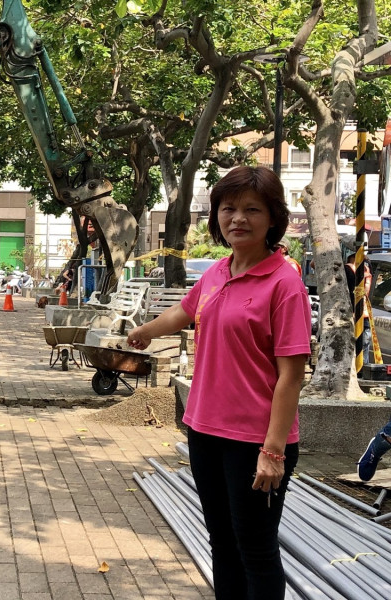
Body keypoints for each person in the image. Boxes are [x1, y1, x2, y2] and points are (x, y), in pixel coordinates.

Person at [126, 166, 311, 599]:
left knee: (257, 551)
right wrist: (147, 330)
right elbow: (186, 311)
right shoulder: (216, 272)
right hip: (205, 430)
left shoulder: (285, 284)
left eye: (252, 209)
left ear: (272, 218)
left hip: (255, 441)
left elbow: (291, 378)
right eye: (229, 208)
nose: (238, 219)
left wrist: (273, 451)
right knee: (222, 545)